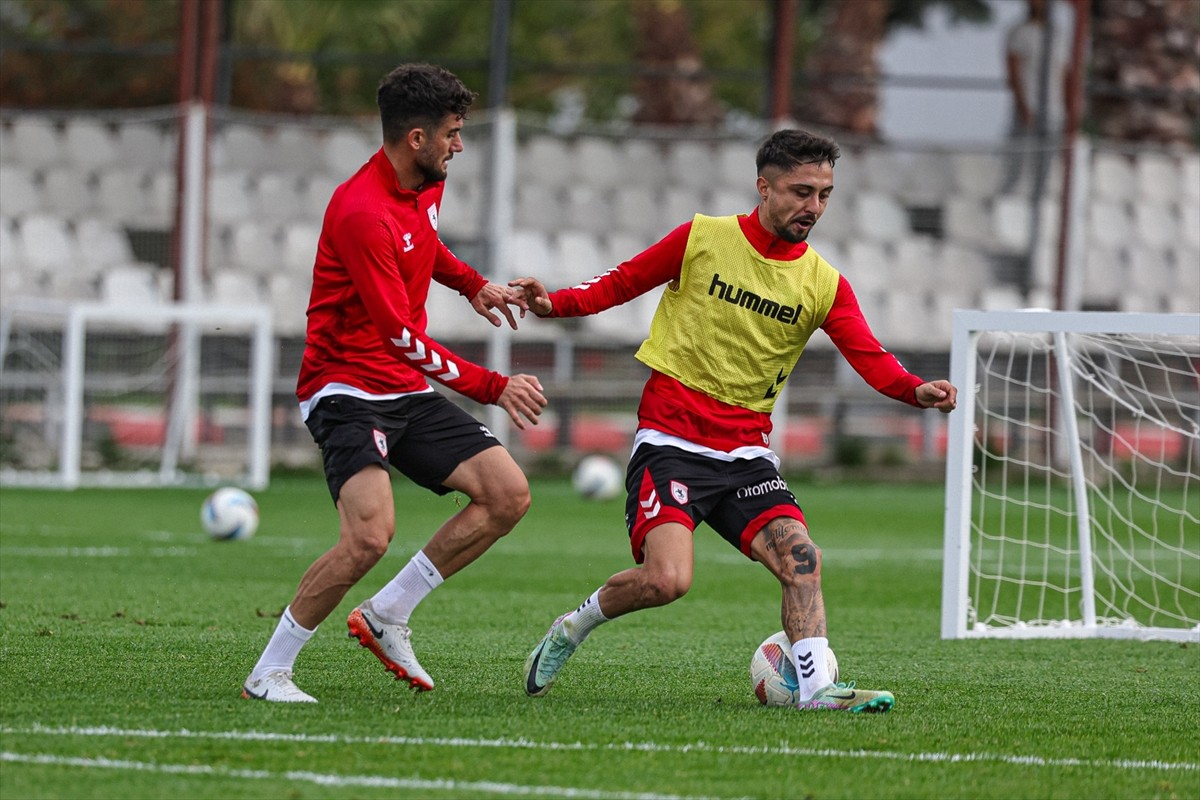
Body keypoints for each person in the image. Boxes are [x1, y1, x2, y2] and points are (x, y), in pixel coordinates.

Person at [510, 129, 957, 713]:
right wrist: (553, 305)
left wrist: (914, 390)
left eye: (824, 194)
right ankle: (573, 626)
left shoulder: (823, 283)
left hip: (745, 454)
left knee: (803, 559)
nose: (813, 207)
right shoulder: (703, 238)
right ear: (763, 187)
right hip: (671, 441)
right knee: (666, 581)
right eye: (801, 192)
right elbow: (620, 283)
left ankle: (818, 690)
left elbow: (869, 356)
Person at [242, 63, 546, 703]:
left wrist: (473, 285)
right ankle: (268, 672)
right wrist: (494, 386)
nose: (459, 146)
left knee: (507, 494)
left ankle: (388, 614)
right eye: (453, 134)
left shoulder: (421, 187)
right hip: (345, 387)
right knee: (369, 536)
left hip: (400, 386)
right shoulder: (362, 213)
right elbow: (399, 337)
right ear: (416, 138)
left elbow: (426, 247)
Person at [1004, 0, 1072, 189]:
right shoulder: (1020, 32)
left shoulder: (1058, 34)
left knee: (1046, 163)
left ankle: (1040, 200)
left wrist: (1068, 110)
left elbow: (1064, 73)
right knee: (1018, 159)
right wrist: (1023, 107)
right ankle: (1010, 198)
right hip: (1029, 108)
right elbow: (1014, 74)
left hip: (1053, 110)